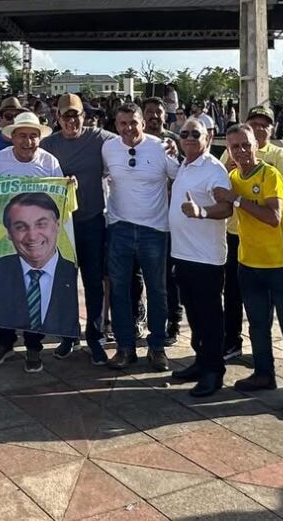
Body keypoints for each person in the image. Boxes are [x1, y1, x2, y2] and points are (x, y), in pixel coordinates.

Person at [217, 124, 283, 419]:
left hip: (280, 264)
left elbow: (273, 216)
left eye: (245, 145)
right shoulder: (232, 177)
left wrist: (238, 200)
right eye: (234, 147)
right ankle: (264, 373)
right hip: (248, 263)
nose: (241, 151)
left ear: (256, 144)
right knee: (257, 324)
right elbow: (226, 209)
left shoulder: (270, 175)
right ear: (228, 151)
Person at [0, 111, 64, 373]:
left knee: (34, 291)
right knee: (6, 291)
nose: (28, 141)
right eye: (22, 136)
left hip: (37, 239)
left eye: (33, 136)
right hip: (5, 234)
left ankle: (33, 346)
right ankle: (4, 342)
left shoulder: (50, 162)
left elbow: (61, 197)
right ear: (12, 137)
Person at [41, 93, 116, 365]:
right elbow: (19, 151)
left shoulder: (99, 138)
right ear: (57, 117)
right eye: (66, 115)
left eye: (76, 115)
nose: (71, 120)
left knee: (94, 282)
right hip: (60, 226)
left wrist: (166, 141)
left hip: (92, 221)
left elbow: (134, 140)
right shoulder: (47, 144)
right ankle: (67, 335)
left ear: (84, 117)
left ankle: (95, 337)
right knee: (63, 281)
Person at [103, 103, 179, 372]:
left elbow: (180, 177)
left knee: (158, 291)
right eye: (122, 123)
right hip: (119, 228)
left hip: (155, 231)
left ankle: (156, 347)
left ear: (143, 123)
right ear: (116, 124)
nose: (128, 129)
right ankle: (125, 348)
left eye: (133, 123)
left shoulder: (162, 147)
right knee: (120, 291)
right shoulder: (108, 147)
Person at [0, 192, 79, 345]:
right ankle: (4, 346)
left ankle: (35, 351)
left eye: (41, 224)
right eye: (20, 227)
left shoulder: (71, 271)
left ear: (57, 226)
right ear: (9, 233)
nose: (32, 236)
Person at [218, 105, 283, 363]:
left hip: (271, 242)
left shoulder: (278, 156)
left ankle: (265, 353)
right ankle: (232, 341)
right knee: (233, 293)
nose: (261, 127)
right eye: (255, 122)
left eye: (265, 124)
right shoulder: (232, 150)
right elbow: (219, 183)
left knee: (269, 304)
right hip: (236, 234)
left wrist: (255, 171)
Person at [167, 118, 233, 397]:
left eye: (196, 133)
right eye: (184, 134)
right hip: (183, 254)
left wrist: (202, 212)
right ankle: (200, 361)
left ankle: (214, 372)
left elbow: (227, 207)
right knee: (194, 315)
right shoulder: (185, 163)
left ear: (209, 136)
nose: (190, 137)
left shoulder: (214, 169)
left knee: (209, 318)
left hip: (206, 259)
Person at [143, 96, 183, 347]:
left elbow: (184, 172)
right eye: (149, 112)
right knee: (138, 274)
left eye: (158, 112)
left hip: (168, 219)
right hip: (140, 219)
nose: (154, 116)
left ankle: (174, 321)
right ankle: (140, 316)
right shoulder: (131, 140)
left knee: (169, 274)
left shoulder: (174, 141)